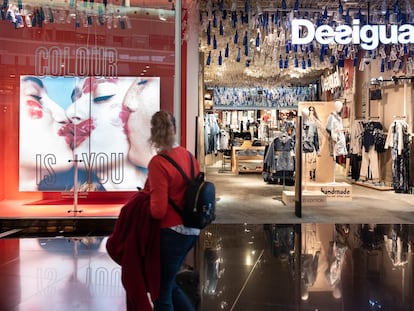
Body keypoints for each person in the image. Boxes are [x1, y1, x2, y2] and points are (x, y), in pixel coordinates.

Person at [144, 110, 200, 311]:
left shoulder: (158, 163)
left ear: (153, 132)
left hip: (171, 232)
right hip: (192, 229)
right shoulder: (188, 156)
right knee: (170, 284)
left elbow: (158, 211)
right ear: (175, 129)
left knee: (161, 293)